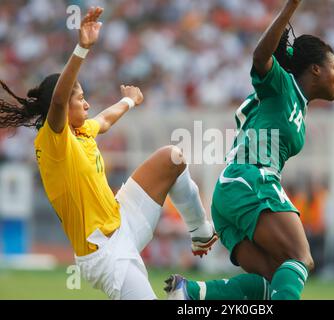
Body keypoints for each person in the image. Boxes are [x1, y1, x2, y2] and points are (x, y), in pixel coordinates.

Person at [0, 7, 217, 300]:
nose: (86, 104)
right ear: (64, 106)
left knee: (172, 157)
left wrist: (128, 101)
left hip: (124, 218)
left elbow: (104, 120)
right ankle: (180, 296)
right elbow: (60, 101)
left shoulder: (82, 130)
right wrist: (81, 48)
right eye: (81, 98)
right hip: (104, 253)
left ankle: (201, 231)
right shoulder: (52, 140)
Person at [165, 0, 334, 300]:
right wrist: (290, 7)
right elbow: (261, 56)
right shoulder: (282, 86)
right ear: (315, 69)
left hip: (233, 190)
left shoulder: (294, 102)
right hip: (251, 180)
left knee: (273, 282)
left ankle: (190, 293)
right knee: (301, 259)